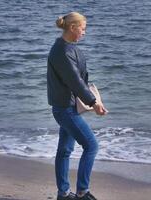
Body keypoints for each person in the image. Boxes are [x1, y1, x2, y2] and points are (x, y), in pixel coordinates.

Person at [47, 12, 108, 200]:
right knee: (91, 146)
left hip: (68, 107)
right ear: (72, 28)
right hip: (65, 109)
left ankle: (63, 194)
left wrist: (93, 97)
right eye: (82, 29)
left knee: (65, 151)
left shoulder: (68, 48)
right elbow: (75, 81)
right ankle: (82, 192)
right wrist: (93, 103)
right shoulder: (62, 51)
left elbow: (81, 78)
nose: (84, 32)